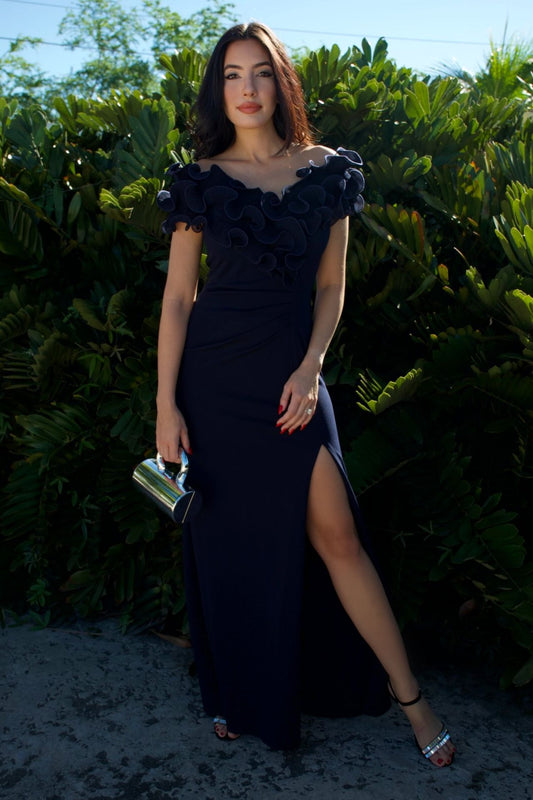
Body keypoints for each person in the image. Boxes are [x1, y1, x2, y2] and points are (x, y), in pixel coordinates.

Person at [155, 21, 456, 765]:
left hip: (292, 376)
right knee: (228, 545)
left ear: (281, 82)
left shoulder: (327, 172)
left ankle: (411, 699)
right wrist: (165, 404)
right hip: (214, 382)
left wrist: (311, 364)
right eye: (230, 74)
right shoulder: (199, 179)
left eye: (260, 72)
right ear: (216, 88)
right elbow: (177, 301)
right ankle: (237, 693)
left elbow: (331, 284)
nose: (246, 88)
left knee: (338, 538)